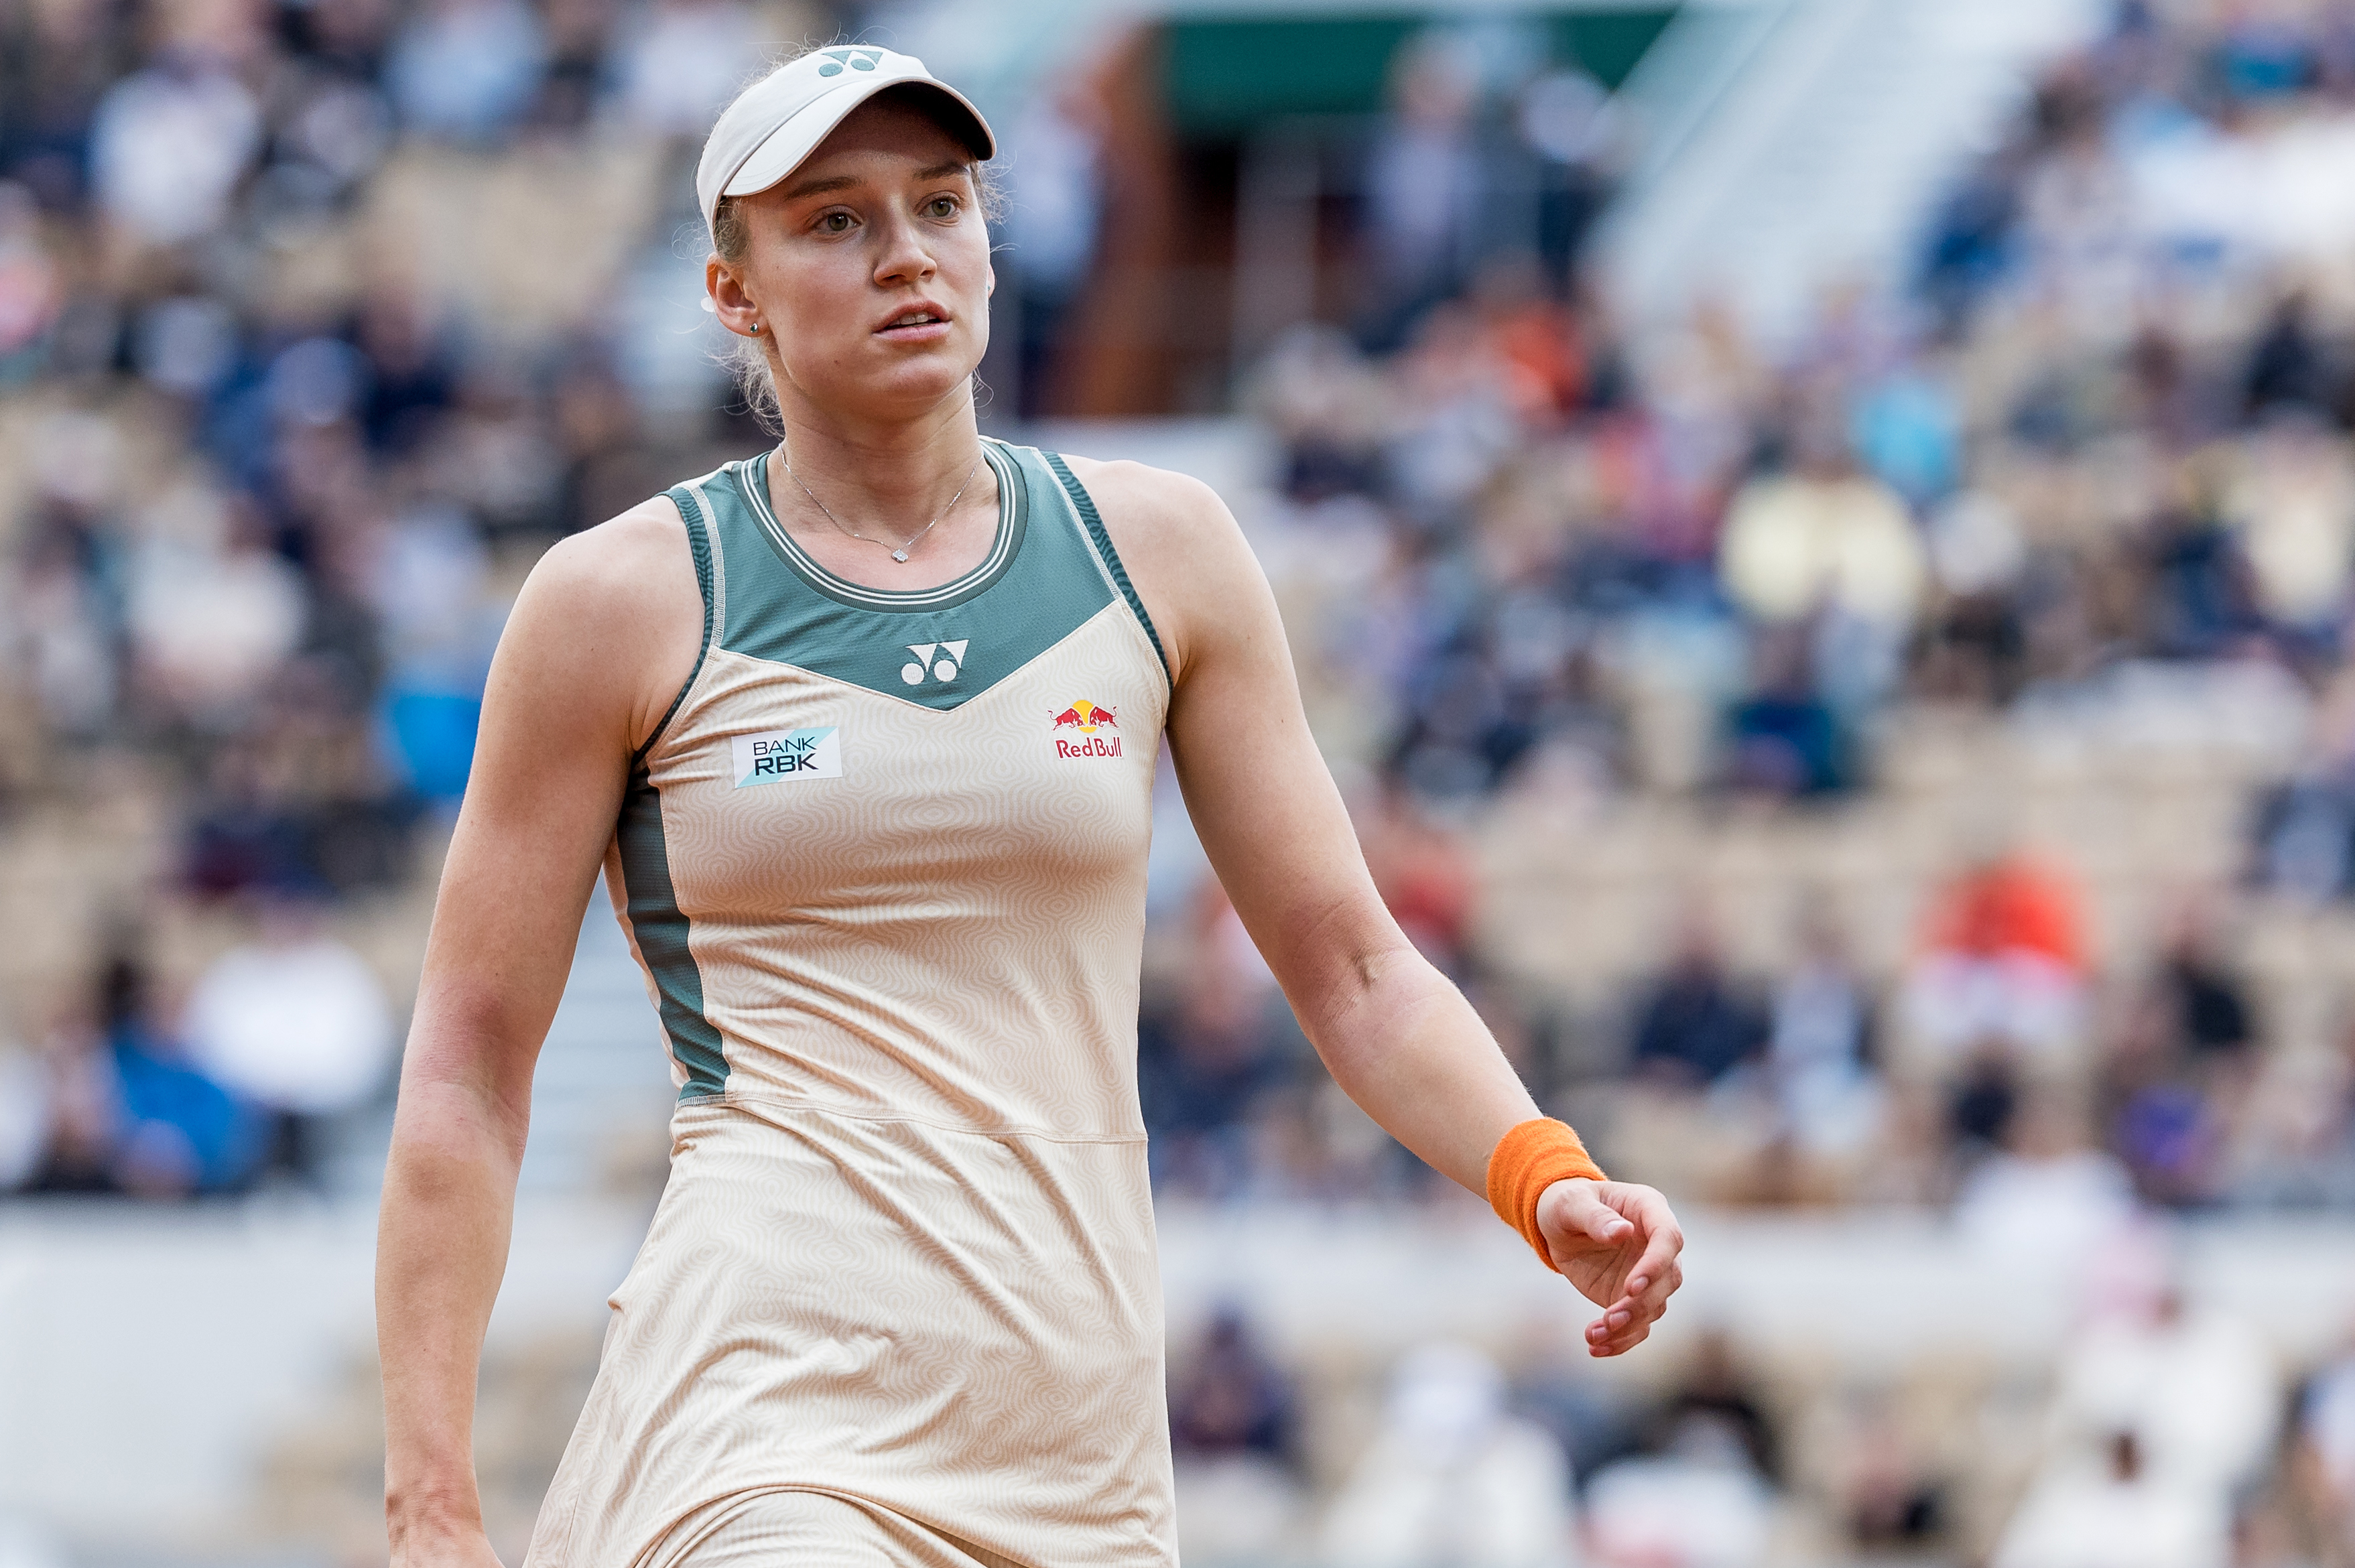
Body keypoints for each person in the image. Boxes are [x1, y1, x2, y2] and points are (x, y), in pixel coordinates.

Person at [373, 46, 1685, 1568]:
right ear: (733, 291)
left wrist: (1548, 1182)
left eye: (940, 205)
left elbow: (1357, 972)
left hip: (1075, 1432)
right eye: (834, 221)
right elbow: (467, 1068)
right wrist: (430, 1508)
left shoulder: (1160, 550)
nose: (907, 254)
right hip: (758, 1404)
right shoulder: (621, 600)